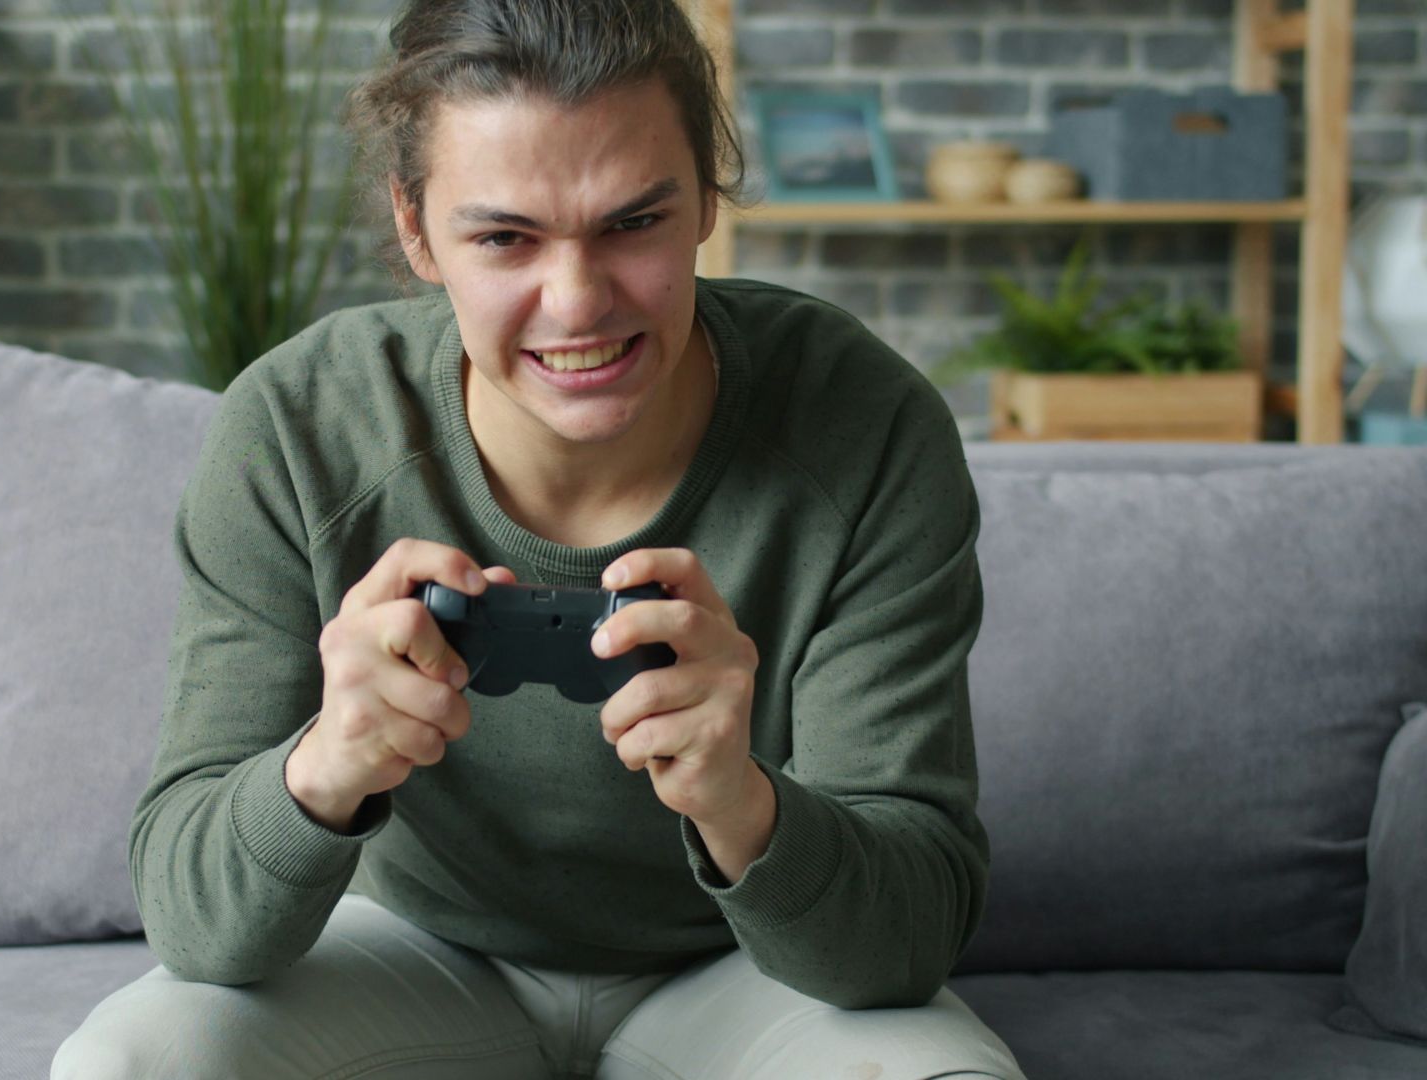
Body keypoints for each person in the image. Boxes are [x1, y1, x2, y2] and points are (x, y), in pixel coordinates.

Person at [53, 1, 1026, 1077]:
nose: (578, 304)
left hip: (746, 970)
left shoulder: (866, 425)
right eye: (506, 237)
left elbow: (908, 941)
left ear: (707, 194)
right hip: (412, 952)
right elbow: (193, 930)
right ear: (416, 230)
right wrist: (323, 769)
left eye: (633, 224)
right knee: (126, 1066)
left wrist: (741, 802)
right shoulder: (296, 432)